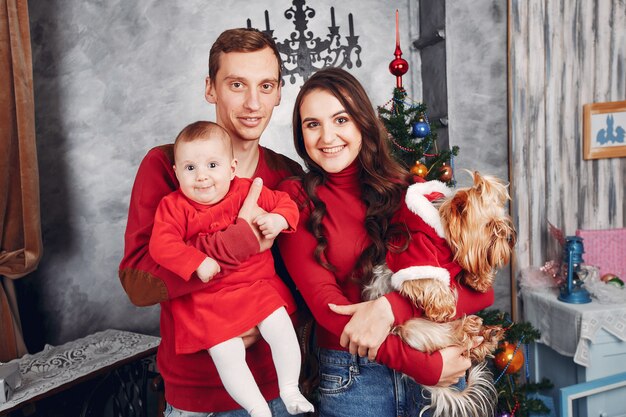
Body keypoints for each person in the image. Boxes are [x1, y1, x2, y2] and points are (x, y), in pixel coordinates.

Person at [277, 67, 495, 417]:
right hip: (354, 377)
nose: (327, 136)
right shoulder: (294, 199)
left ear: (362, 122)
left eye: (341, 119)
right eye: (312, 124)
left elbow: (480, 290)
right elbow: (329, 309)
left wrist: (390, 308)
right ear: (300, 135)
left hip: (439, 356)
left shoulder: (412, 193)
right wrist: (420, 365)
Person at [119, 28, 305, 416]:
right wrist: (236, 243)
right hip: (196, 393)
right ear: (210, 89)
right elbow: (138, 282)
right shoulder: (167, 168)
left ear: (278, 92)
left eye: (265, 85)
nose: (253, 102)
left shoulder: (287, 175)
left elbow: (302, 278)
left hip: (274, 387)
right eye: (237, 84)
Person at [148, 121, 313, 417]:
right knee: (226, 352)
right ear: (175, 173)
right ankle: (256, 407)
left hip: (255, 288)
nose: (202, 177)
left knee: (280, 326)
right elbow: (161, 245)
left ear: (232, 168)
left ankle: (290, 388)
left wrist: (278, 221)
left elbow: (286, 204)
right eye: (190, 168)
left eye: (212, 165)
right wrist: (195, 261)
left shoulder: (246, 190)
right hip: (207, 302)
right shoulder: (173, 207)